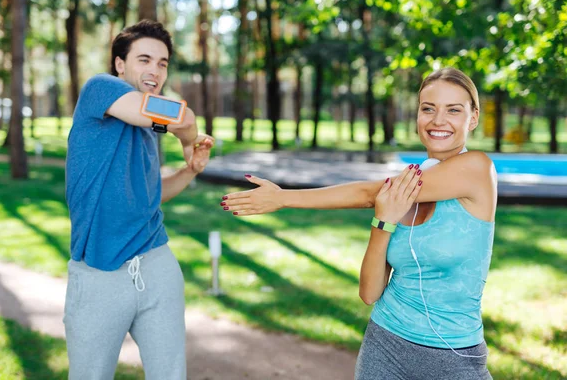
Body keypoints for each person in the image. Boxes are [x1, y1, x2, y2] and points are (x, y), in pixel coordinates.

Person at [221, 67, 496, 379]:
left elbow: (367, 192)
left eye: (454, 110)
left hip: (454, 358)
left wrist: (284, 198)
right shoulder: (407, 184)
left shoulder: (478, 169)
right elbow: (369, 294)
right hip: (385, 343)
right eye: (428, 109)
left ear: (473, 118)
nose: (437, 121)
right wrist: (382, 223)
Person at [65, 19, 214, 380]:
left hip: (156, 264)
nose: (155, 70)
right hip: (100, 274)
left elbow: (151, 195)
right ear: (120, 64)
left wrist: (190, 170)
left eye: (162, 63)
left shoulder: (147, 131)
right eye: (144, 59)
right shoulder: (100, 89)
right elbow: (184, 117)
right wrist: (185, 139)